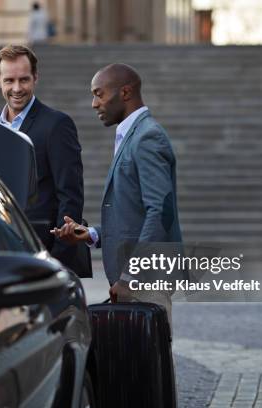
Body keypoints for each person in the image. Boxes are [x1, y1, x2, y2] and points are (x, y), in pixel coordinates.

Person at [52, 63, 182, 316]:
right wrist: (91, 234)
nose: (94, 103)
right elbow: (134, 214)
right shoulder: (132, 135)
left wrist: (131, 277)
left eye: (99, 94)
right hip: (135, 279)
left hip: (145, 280)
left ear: (125, 93)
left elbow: (160, 213)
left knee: (147, 356)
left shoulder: (147, 137)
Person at [0, 45, 88, 277]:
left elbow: (70, 196)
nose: (17, 88)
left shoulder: (57, 125)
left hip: (44, 257)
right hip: (0, 256)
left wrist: (56, 262)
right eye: (9, 80)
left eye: (24, 80)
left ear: (35, 77)